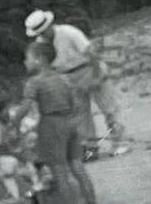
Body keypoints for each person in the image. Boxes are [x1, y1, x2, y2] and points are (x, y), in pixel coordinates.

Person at [21, 40, 101, 204]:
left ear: (40, 59)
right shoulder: (65, 79)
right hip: (70, 122)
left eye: (28, 58)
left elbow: (25, 107)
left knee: (59, 171)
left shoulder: (34, 82)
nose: (25, 62)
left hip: (51, 124)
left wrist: (14, 124)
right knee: (78, 167)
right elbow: (75, 104)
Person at [23, 9, 126, 149]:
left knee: (109, 108)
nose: (43, 34)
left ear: (50, 25)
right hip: (69, 77)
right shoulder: (41, 44)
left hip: (89, 67)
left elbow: (91, 53)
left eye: (44, 31)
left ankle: (119, 142)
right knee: (81, 114)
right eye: (40, 33)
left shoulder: (68, 32)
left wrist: (96, 77)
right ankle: (91, 147)